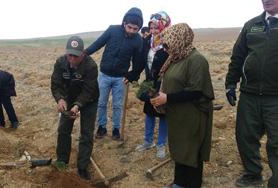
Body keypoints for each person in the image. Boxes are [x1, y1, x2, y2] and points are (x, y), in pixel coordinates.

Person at [151, 23, 214, 188]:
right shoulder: (175, 58)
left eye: (167, 44)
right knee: (179, 150)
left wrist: (167, 99)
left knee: (191, 153)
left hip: (193, 117)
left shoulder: (196, 60)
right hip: (178, 115)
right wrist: (158, 97)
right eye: (164, 45)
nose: (165, 48)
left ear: (179, 41)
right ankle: (179, 183)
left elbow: (197, 92)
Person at [225, 0, 278, 187]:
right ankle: (253, 173)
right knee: (245, 136)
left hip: (275, 97)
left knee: (277, 141)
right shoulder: (251, 25)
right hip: (250, 94)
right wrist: (231, 83)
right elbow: (238, 56)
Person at [84, 7, 143, 140]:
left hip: (121, 79)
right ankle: (102, 127)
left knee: (117, 105)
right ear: (124, 23)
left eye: (135, 29)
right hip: (104, 75)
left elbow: (138, 62)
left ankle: (116, 129)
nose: (132, 31)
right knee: (101, 102)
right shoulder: (112, 30)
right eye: (130, 27)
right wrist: (84, 54)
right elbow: (97, 44)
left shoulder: (138, 40)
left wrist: (132, 75)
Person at [51, 36, 99, 180]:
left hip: (89, 100)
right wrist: (60, 99)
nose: (71, 59)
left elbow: (88, 90)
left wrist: (78, 105)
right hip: (68, 98)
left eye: (75, 56)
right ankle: (62, 161)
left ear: (83, 54)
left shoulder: (91, 66)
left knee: (86, 134)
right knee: (63, 130)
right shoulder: (60, 63)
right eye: (69, 55)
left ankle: (82, 167)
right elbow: (55, 84)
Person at [135, 11, 171, 160]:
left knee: (163, 114)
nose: (154, 31)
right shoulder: (148, 41)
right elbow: (142, 62)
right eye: (152, 28)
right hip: (150, 81)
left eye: (157, 27)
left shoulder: (169, 43)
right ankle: (148, 141)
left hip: (164, 83)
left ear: (164, 26)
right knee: (149, 110)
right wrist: (133, 75)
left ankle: (161, 144)